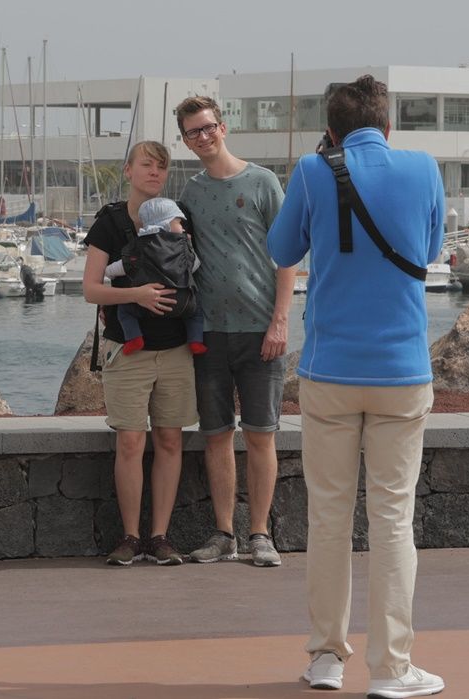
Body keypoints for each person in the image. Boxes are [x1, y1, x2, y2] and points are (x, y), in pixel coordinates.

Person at [267, 75, 445, 698]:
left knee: (329, 519)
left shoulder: (314, 171)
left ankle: (326, 658)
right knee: (394, 519)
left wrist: (322, 172)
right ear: (387, 124)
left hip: (330, 371)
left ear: (333, 129)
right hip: (401, 371)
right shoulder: (424, 168)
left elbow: (280, 246)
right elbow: (429, 250)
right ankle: (393, 669)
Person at [174, 95, 295, 567]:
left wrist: (280, 321)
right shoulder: (191, 193)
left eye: (207, 128)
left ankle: (261, 534)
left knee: (262, 434)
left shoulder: (263, 182)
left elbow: (287, 256)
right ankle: (224, 534)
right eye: (192, 133)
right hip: (210, 333)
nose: (202, 138)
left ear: (223, 128)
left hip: (261, 330)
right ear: (184, 140)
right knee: (217, 435)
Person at [82, 140, 197, 567]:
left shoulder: (179, 219)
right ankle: (130, 536)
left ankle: (160, 536)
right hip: (127, 349)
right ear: (127, 171)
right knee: (130, 441)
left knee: (170, 439)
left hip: (176, 348)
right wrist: (139, 295)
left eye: (161, 167)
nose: (154, 173)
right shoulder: (109, 223)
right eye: (146, 165)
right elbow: (91, 288)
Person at [103, 197, 207, 357]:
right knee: (197, 311)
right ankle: (195, 341)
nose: (183, 228)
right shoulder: (182, 247)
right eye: (179, 223)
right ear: (166, 225)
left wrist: (108, 270)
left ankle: (134, 338)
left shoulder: (139, 247)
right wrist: (189, 248)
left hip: (145, 304)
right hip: (182, 302)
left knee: (124, 310)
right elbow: (195, 266)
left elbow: (120, 268)